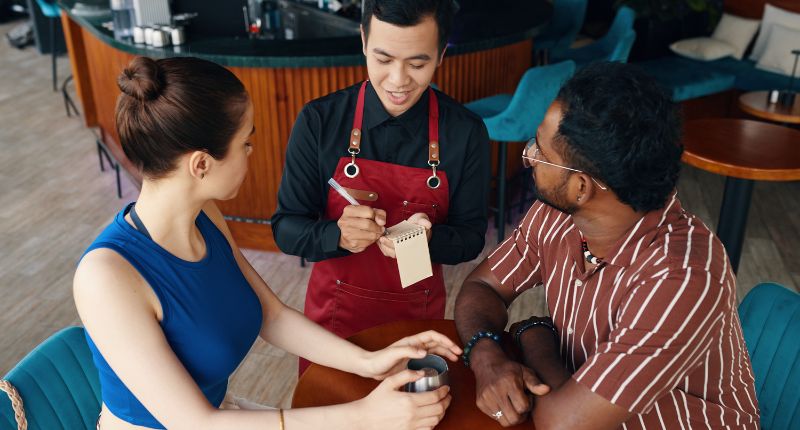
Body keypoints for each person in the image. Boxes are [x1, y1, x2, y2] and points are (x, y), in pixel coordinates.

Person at [73, 56, 462, 430]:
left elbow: (271, 315)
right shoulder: (105, 277)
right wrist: (364, 417)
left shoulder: (204, 215)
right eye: (245, 143)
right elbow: (196, 423)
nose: (251, 153)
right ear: (201, 165)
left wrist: (369, 361)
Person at [453, 62, 759, 429]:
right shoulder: (558, 214)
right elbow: (483, 286)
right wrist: (486, 354)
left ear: (581, 187)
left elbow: (562, 424)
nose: (528, 156)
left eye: (542, 153)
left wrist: (535, 336)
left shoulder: (682, 277)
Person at [270, 0, 490, 373]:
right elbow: (285, 228)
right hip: (334, 325)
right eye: (383, 59)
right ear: (363, 41)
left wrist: (429, 240)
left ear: (441, 54)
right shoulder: (320, 121)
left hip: (416, 319)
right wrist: (334, 235)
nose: (398, 80)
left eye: (417, 64)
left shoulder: (465, 132)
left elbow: (470, 238)